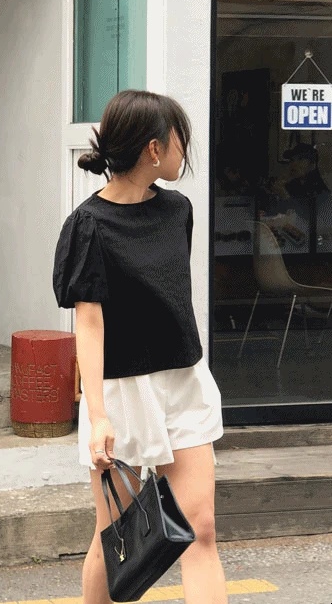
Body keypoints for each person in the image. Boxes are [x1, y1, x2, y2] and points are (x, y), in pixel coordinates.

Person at [52, 90, 227, 604]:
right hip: (121, 391)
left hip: (183, 380)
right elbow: (89, 323)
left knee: (201, 527)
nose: (184, 151)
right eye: (179, 140)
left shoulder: (178, 211)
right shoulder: (88, 225)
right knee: (117, 538)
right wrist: (97, 415)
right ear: (154, 149)